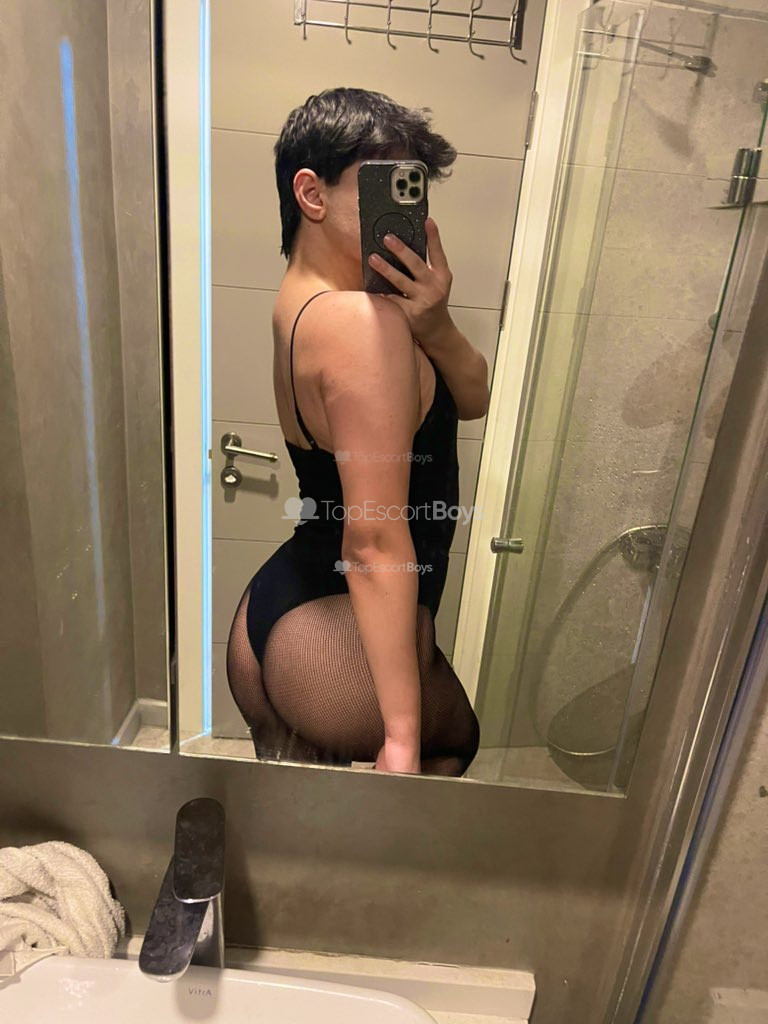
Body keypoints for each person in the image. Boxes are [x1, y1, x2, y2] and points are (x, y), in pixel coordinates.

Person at [226, 86, 489, 776]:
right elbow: (372, 540)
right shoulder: (359, 323)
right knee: (450, 745)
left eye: (411, 186)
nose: (403, 208)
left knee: (306, 821)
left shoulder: (301, 303)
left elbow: (474, 398)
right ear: (310, 194)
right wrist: (400, 735)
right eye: (381, 183)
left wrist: (434, 322)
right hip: (333, 634)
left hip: (280, 612)